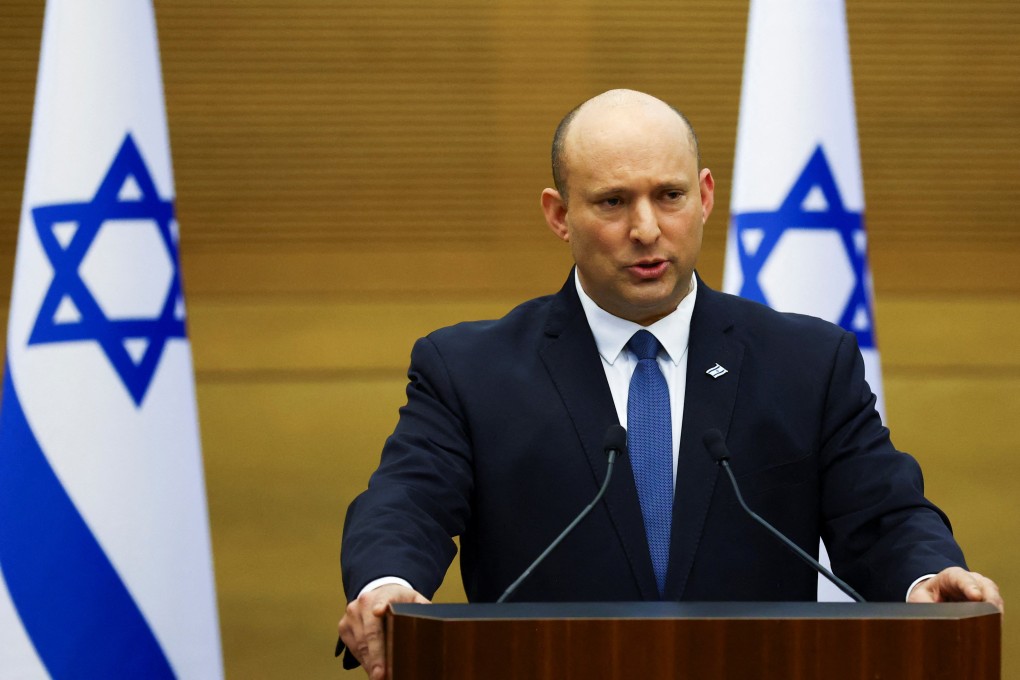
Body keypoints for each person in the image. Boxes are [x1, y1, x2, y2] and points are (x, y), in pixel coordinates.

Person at [336, 89, 1002, 679]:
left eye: (670, 196)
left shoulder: (805, 361)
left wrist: (925, 577)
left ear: (706, 196)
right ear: (559, 214)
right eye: (613, 202)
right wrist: (388, 583)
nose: (647, 229)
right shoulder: (469, 371)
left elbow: (882, 517)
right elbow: (407, 502)